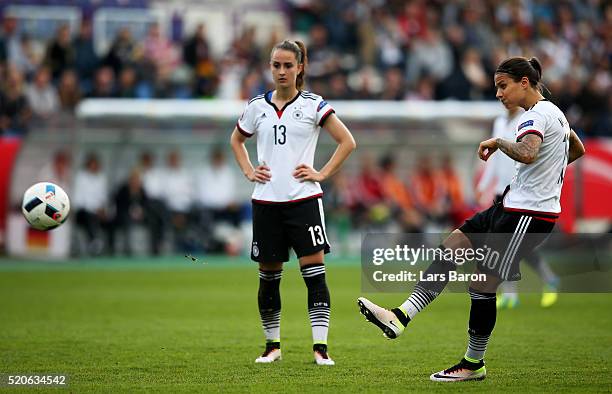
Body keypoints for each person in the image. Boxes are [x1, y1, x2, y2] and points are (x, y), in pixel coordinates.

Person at [357, 57, 585, 382]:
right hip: (509, 206)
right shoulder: (555, 114)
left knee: (482, 283)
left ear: (524, 82)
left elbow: (529, 152)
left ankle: (473, 364)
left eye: (502, 86)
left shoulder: (535, 116)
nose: (498, 94)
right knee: (451, 246)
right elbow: (575, 148)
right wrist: (550, 172)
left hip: (528, 215)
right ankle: (401, 316)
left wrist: (499, 143)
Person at [230, 40, 356, 366]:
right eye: (276, 65)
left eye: (288, 65)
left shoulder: (314, 105)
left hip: (304, 201)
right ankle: (272, 345)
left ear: (300, 67)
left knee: (314, 275)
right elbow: (237, 139)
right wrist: (247, 170)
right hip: (266, 203)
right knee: (269, 277)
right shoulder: (257, 106)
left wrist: (322, 173)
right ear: (269, 67)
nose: (282, 71)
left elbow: (347, 141)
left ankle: (321, 348)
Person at [476, 105, 560, 309]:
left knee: (515, 247)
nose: (502, 95)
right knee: (501, 245)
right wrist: (484, 185)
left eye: (505, 87)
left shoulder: (529, 120)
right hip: (501, 191)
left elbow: (529, 154)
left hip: (520, 192)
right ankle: (511, 293)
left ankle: (546, 280)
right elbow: (493, 159)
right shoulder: (500, 121)